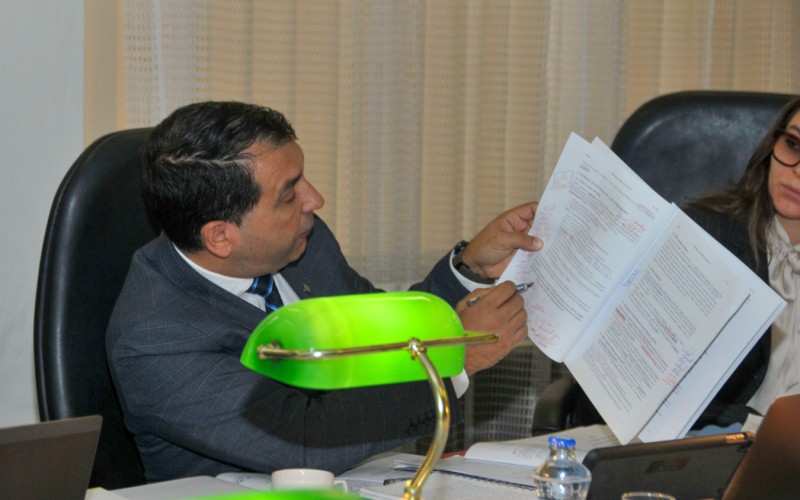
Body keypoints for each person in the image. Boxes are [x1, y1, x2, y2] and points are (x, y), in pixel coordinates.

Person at [106, 101, 543, 481]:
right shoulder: (154, 338)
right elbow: (307, 442)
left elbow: (390, 335)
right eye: (288, 194)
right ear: (220, 237)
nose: (314, 200)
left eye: (303, 178)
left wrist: (470, 269)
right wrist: (459, 360)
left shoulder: (304, 244)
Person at [685, 96, 800, 425]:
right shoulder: (705, 235)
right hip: (717, 442)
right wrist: (756, 427)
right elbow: (661, 393)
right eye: (793, 145)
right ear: (772, 145)